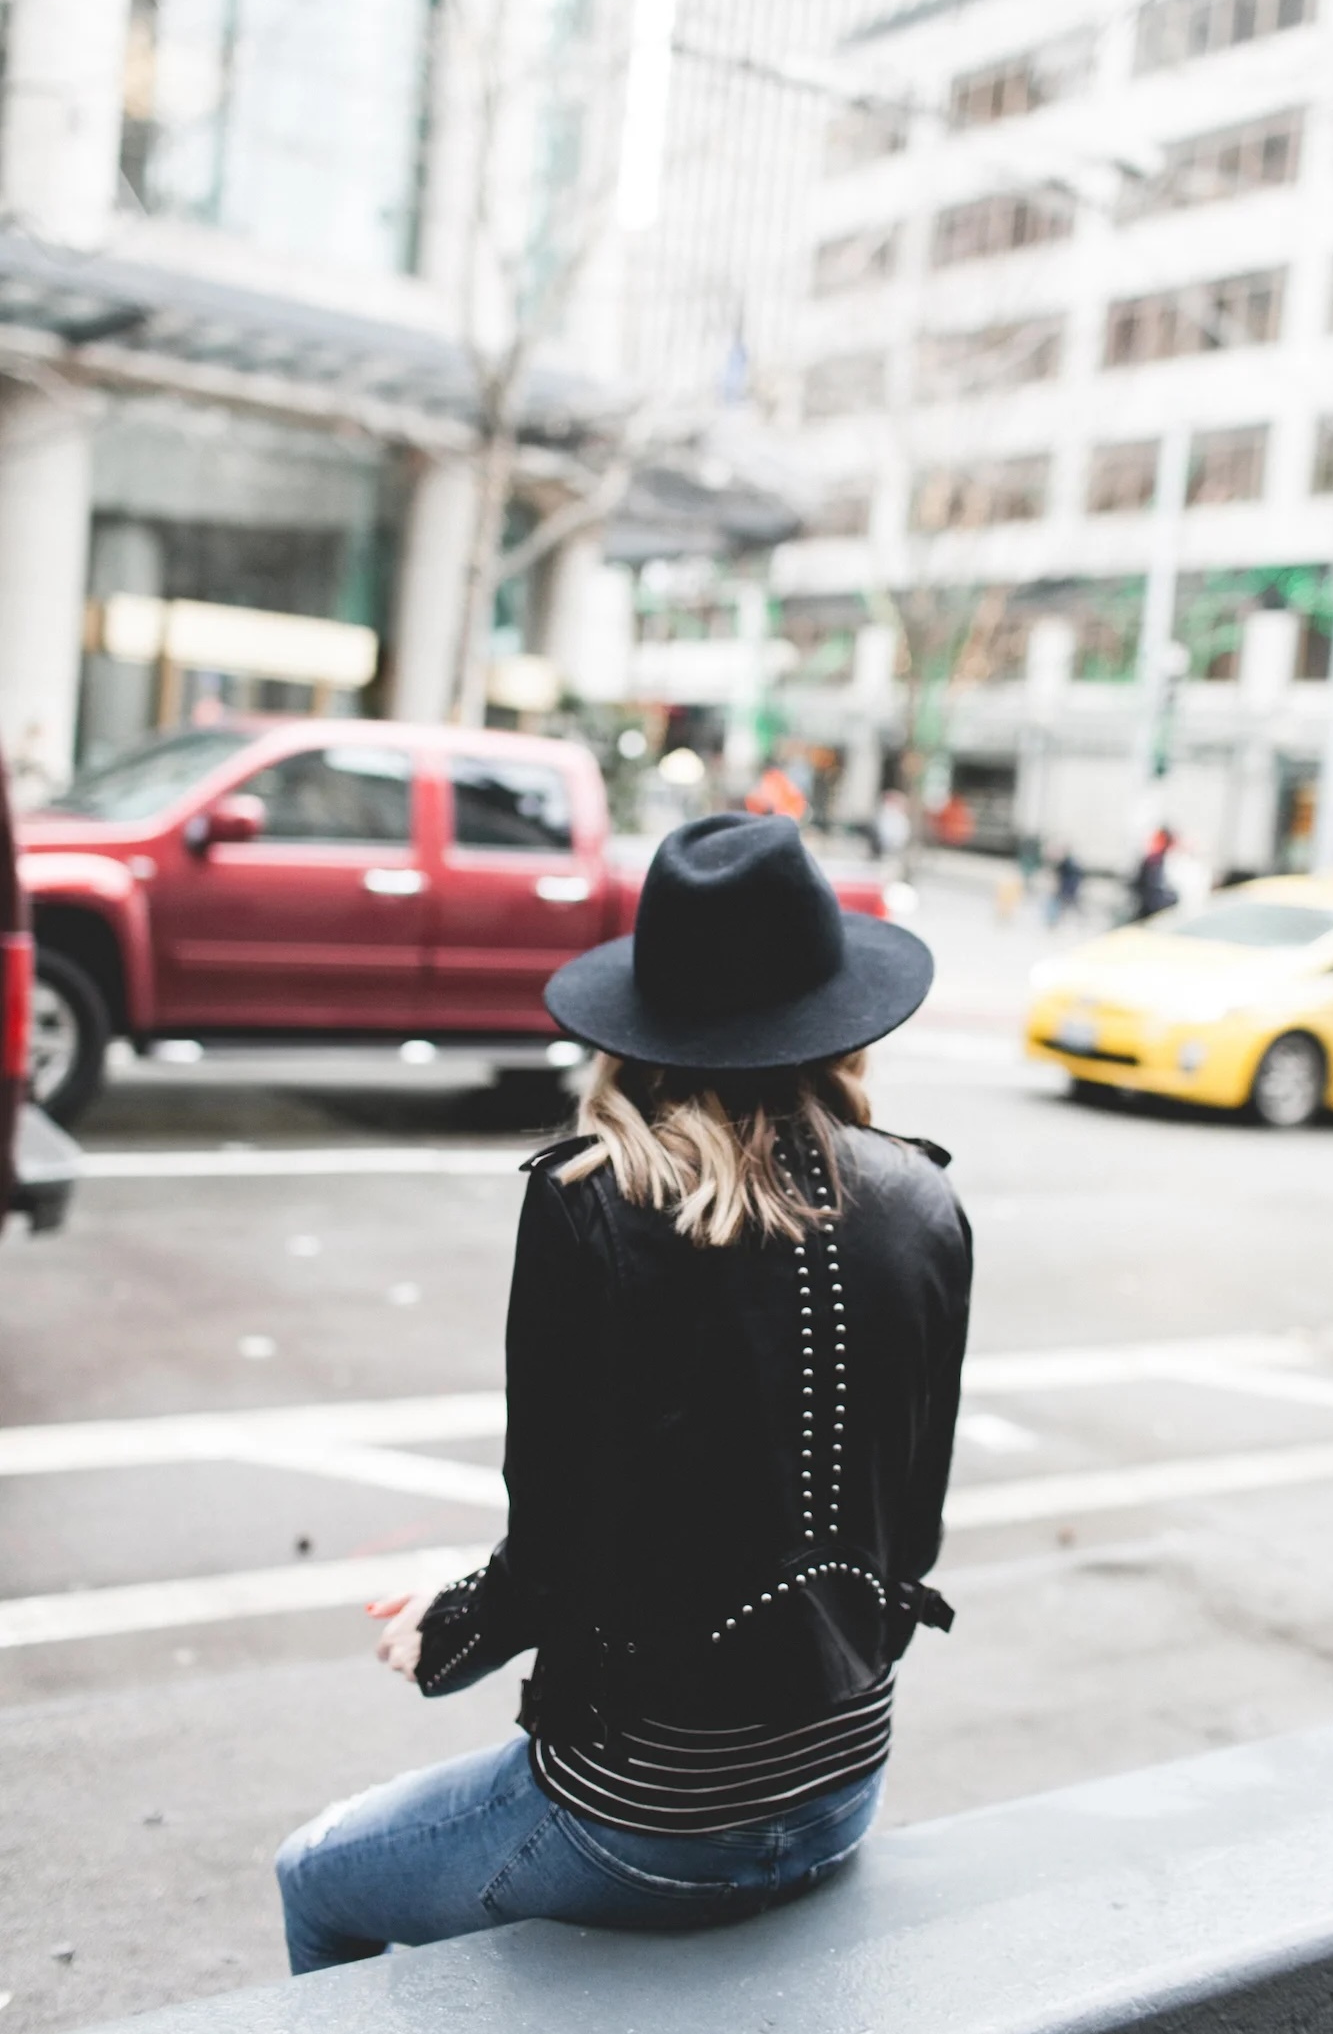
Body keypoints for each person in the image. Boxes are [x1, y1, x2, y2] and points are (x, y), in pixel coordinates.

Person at [275, 813, 972, 1968]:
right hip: (843, 1779)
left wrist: (447, 1632)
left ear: (643, 1030)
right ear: (837, 1017)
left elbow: (554, 1555)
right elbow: (914, 1530)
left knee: (315, 1876)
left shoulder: (589, 1205)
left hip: (647, 1814)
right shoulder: (925, 1200)